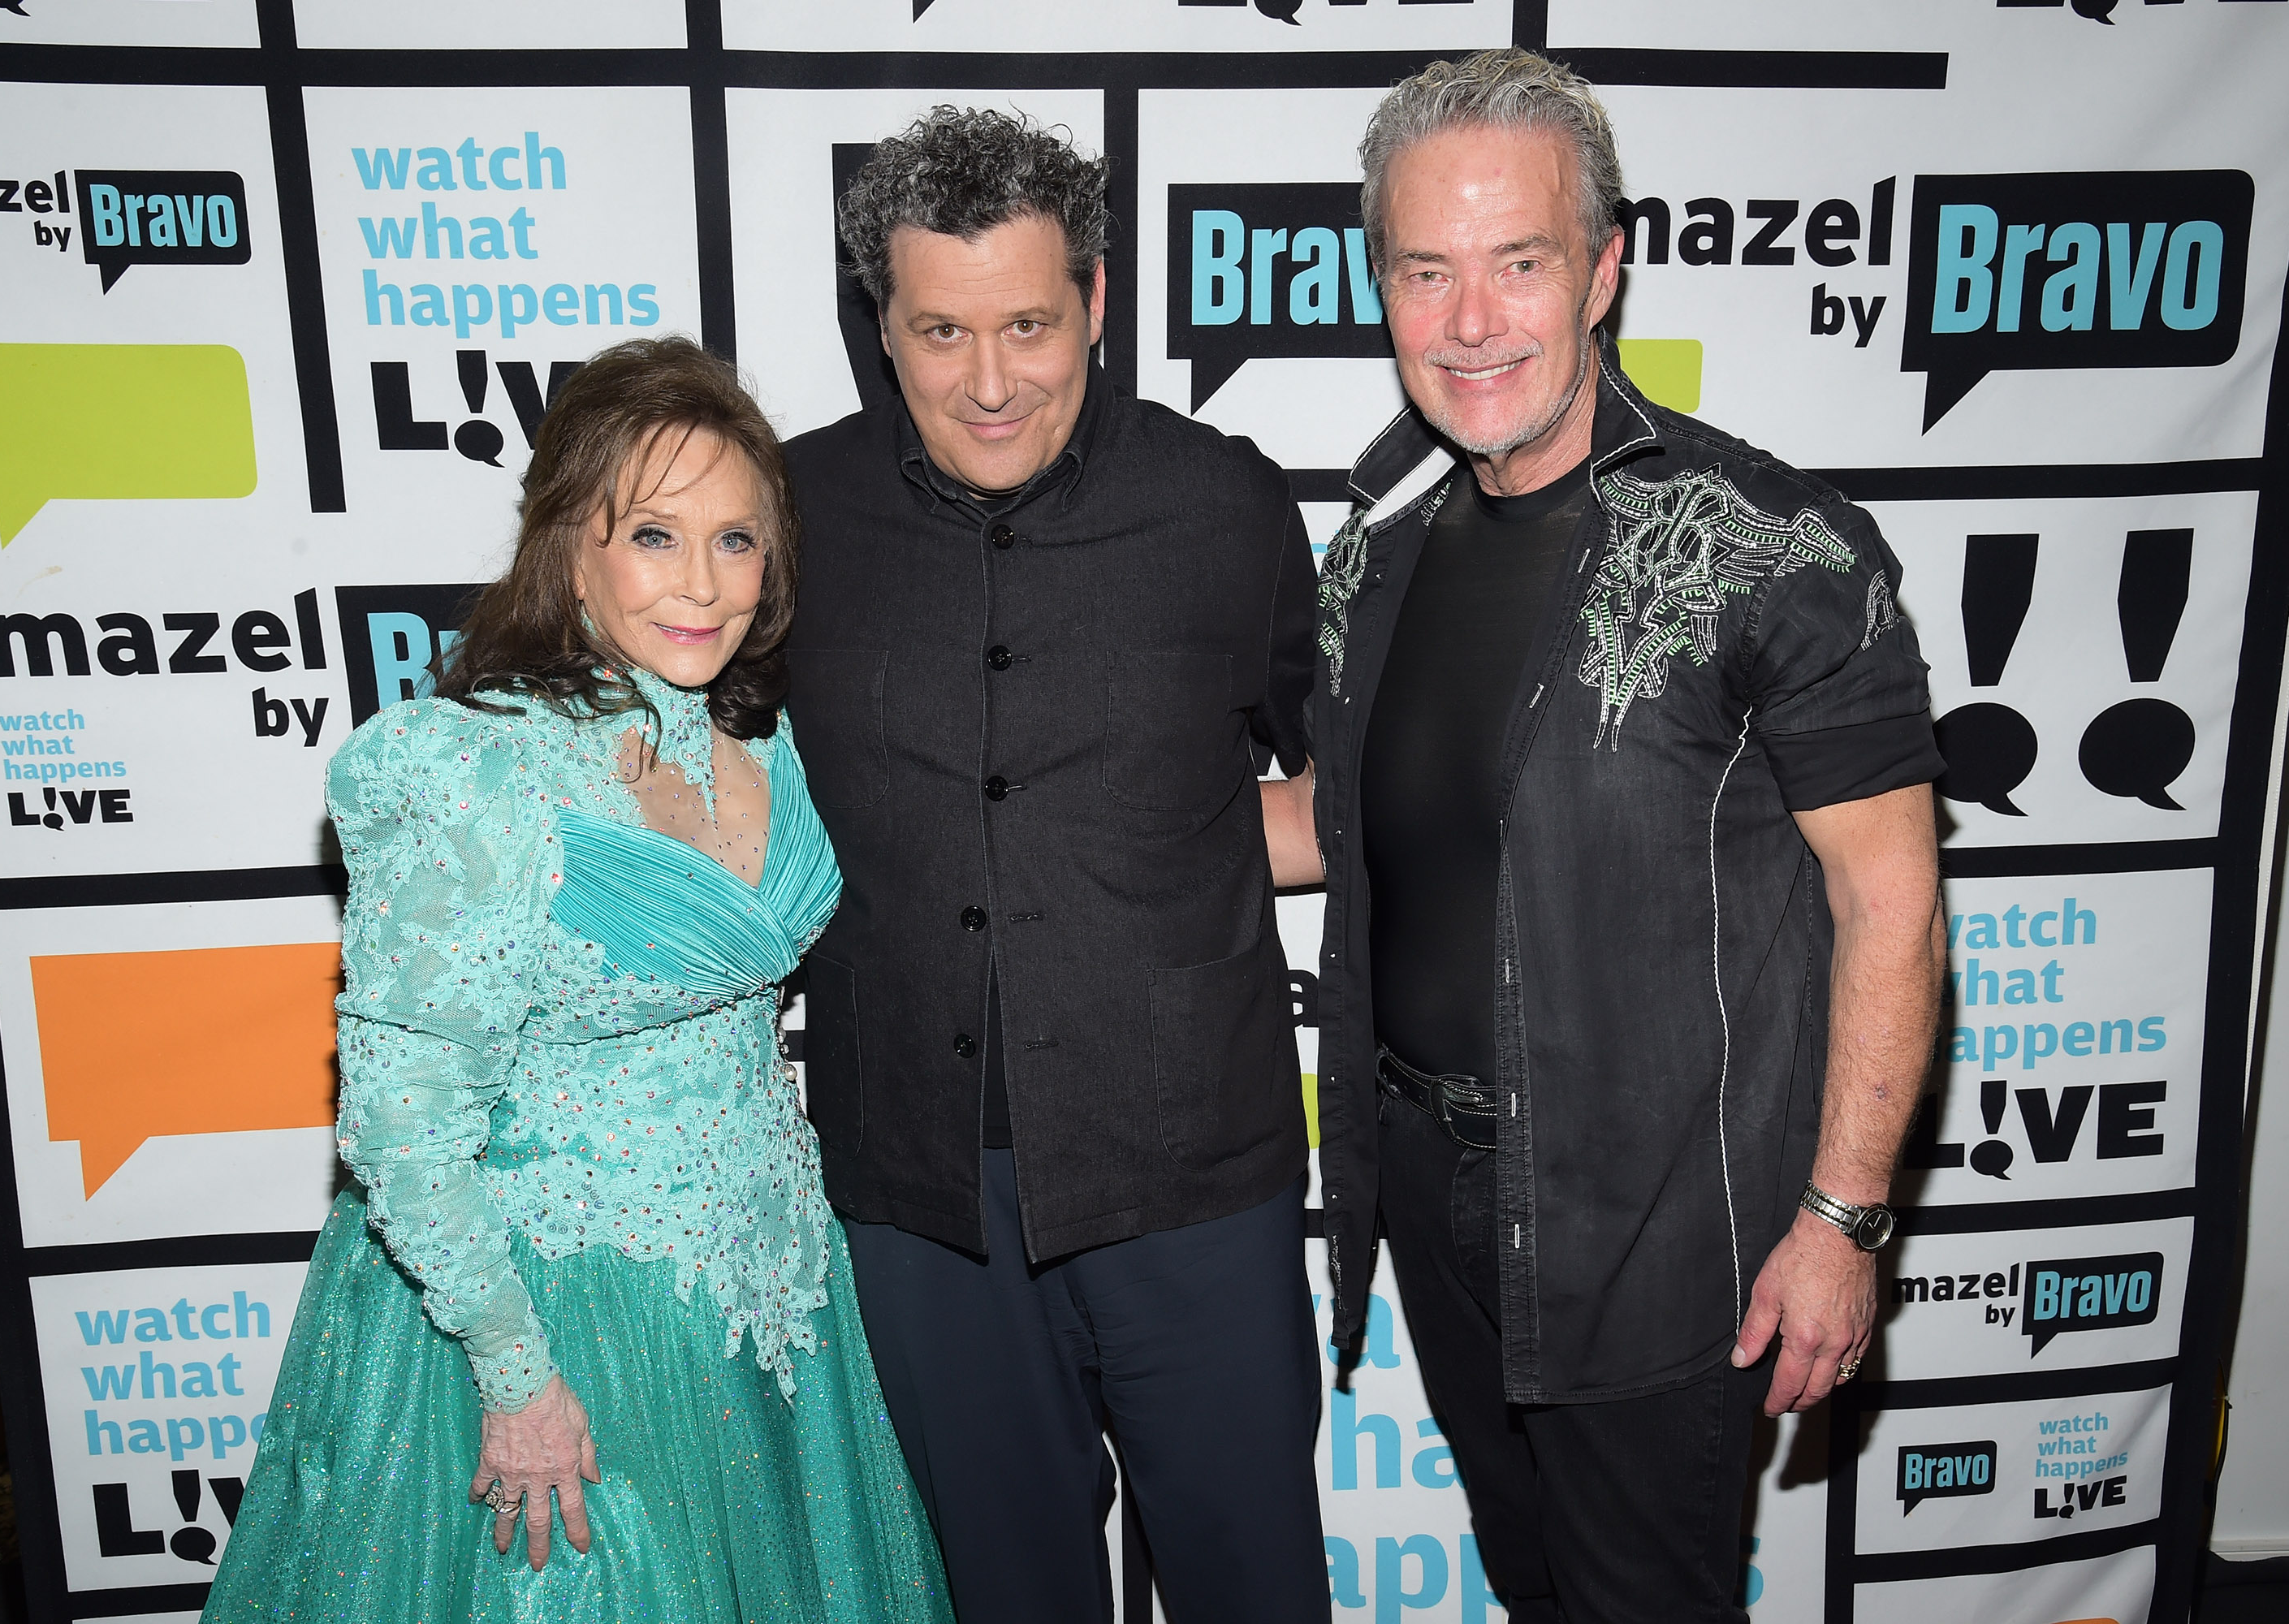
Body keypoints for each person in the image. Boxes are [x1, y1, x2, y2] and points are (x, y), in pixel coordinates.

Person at [1262, 50, 1947, 1623]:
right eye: (1427, 272)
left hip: (1662, 1217)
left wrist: (1843, 1222)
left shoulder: (1775, 548)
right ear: (1385, 286)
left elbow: (1891, 901)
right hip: (1433, 1187)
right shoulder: (1375, 563)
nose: (1472, 319)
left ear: (1606, 269)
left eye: (1519, 263)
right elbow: (1343, 827)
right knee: (1537, 1590)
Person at [203, 338, 952, 1623]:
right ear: (570, 548)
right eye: (656, 536)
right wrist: (515, 1376)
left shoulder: (757, 739)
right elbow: (400, 1123)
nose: (704, 587)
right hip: (561, 1313)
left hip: (770, 1298)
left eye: (738, 541)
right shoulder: (477, 778)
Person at [780, 108, 1326, 1624]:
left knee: (1253, 1587)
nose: (992, 378)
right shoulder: (788, 520)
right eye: (941, 329)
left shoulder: (1225, 504)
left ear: (1093, 298)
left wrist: (1198, 852)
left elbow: (1342, 779)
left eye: (1030, 321)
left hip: (1192, 1178)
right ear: (878, 323)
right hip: (919, 1194)